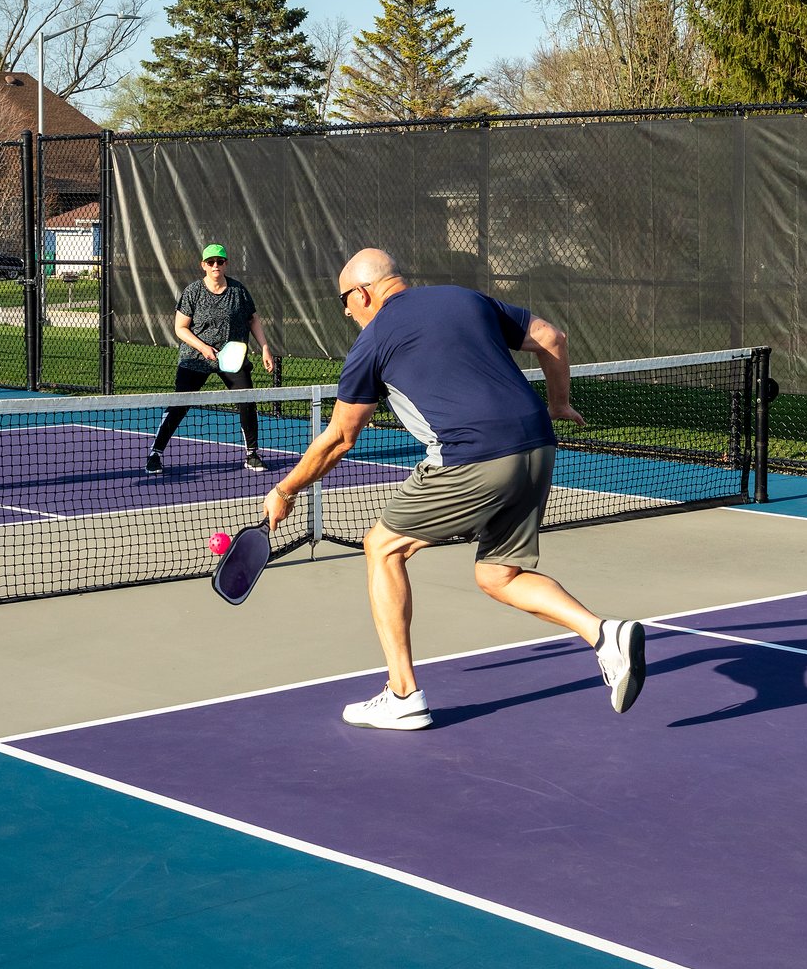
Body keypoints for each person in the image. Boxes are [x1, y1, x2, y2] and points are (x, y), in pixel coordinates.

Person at [262, 248, 645, 730]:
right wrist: (560, 404)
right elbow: (552, 337)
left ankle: (402, 693)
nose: (344, 311)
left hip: (472, 456)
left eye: (345, 299)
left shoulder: (374, 338)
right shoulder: (466, 299)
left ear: (362, 293)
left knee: (381, 548)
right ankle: (605, 635)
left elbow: (340, 437)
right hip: (537, 447)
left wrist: (286, 489)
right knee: (499, 576)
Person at [145, 243, 277, 475]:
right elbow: (180, 328)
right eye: (211, 262)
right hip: (196, 359)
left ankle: (252, 454)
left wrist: (265, 347)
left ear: (226, 264)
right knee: (179, 405)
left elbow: (253, 319)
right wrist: (203, 347)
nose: (215, 265)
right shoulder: (193, 292)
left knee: (247, 402)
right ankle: (155, 453)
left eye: (220, 261)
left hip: (232, 359)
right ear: (203, 265)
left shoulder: (239, 291)